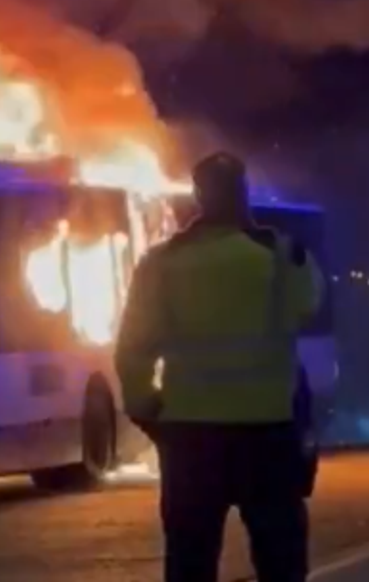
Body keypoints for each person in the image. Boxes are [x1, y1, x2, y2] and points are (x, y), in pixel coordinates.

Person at [114, 152, 323, 582]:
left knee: (190, 558)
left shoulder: (161, 263)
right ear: (242, 194)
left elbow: (134, 349)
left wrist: (146, 407)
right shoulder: (281, 258)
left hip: (191, 439)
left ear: (199, 196)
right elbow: (310, 302)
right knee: (280, 559)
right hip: (268, 433)